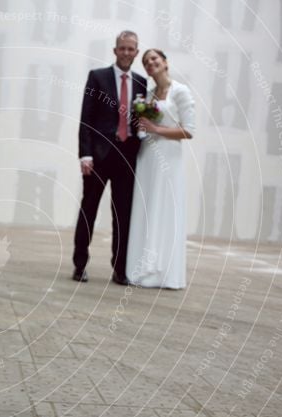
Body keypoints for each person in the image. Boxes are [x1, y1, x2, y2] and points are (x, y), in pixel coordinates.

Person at [73, 30, 147, 285]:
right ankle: (79, 264)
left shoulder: (141, 82)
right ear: (115, 50)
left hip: (127, 158)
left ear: (136, 52)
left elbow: (140, 121)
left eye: (131, 49)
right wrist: (85, 154)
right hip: (99, 156)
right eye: (122, 48)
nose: (127, 53)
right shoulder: (98, 77)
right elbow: (86, 118)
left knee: (123, 215)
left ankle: (120, 269)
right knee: (89, 210)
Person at [125, 49, 195, 289]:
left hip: (168, 156)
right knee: (147, 208)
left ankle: (164, 271)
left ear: (165, 62)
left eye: (154, 59)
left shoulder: (180, 91)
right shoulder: (148, 94)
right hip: (148, 157)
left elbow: (189, 130)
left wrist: (157, 130)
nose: (150, 63)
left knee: (164, 209)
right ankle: (143, 269)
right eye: (146, 62)